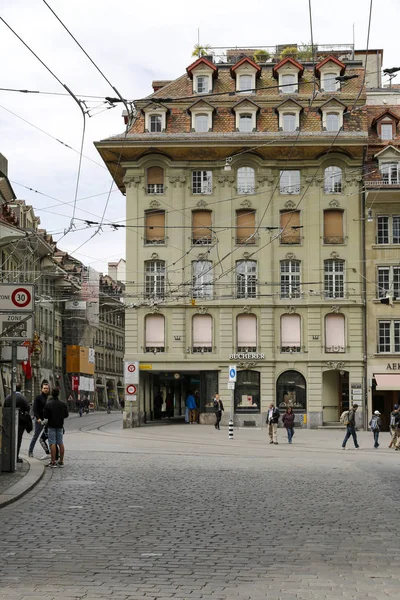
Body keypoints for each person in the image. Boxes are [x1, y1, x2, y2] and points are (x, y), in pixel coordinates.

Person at [4, 383, 31, 463]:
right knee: (18, 439)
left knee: (9, 438)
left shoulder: (8, 397)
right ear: (20, 388)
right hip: (20, 423)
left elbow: (5, 407)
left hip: (9, 422)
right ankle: (16, 456)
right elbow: (28, 408)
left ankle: (9, 455)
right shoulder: (23, 398)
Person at [43, 388, 69, 468]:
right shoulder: (63, 404)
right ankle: (61, 461)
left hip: (51, 425)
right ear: (58, 394)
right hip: (60, 426)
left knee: (52, 443)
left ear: (52, 393)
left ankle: (53, 461)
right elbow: (66, 415)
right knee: (60, 443)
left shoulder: (48, 404)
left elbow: (45, 416)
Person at [28, 380, 51, 459]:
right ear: (41, 389)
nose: (46, 390)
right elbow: (35, 409)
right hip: (40, 421)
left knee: (48, 437)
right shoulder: (38, 398)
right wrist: (38, 418)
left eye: (47, 388)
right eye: (44, 388)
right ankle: (30, 451)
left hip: (47, 421)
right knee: (36, 436)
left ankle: (48, 452)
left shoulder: (49, 398)